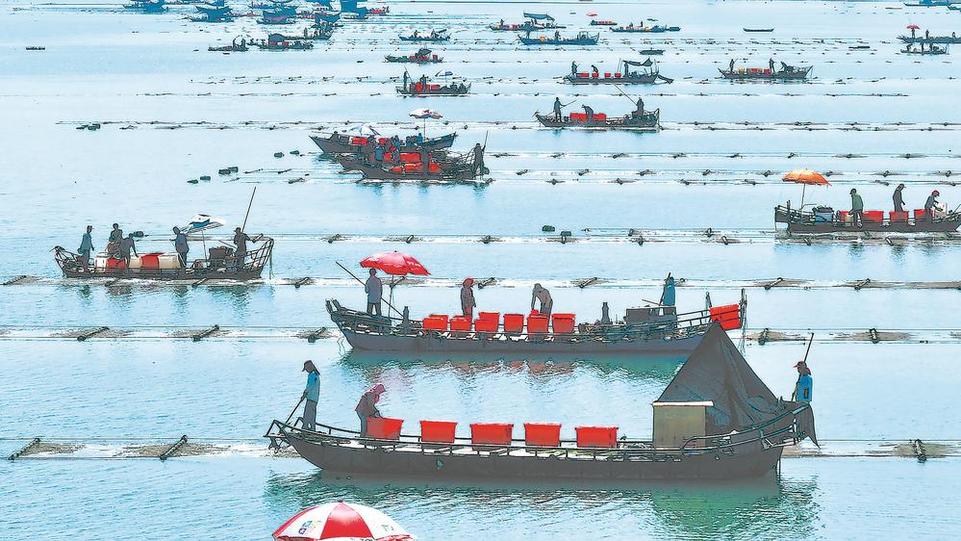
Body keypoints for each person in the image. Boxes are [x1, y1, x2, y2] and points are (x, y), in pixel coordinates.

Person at [301, 360, 320, 431]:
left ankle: (305, 431)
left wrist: (304, 394)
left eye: (306, 369)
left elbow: (310, 386)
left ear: (309, 367)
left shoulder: (312, 375)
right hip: (314, 399)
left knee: (307, 416)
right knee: (312, 417)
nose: (306, 371)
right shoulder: (315, 374)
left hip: (311, 399)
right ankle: (312, 430)